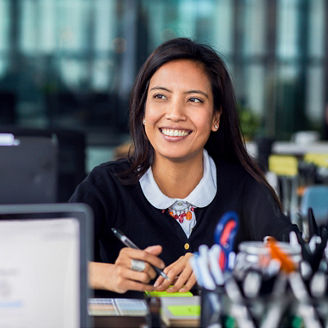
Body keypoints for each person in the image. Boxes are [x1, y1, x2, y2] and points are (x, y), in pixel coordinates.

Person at [70, 38, 297, 297]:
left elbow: (294, 257)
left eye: (194, 100)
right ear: (143, 111)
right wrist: (109, 274)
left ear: (215, 118)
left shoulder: (244, 187)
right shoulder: (106, 185)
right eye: (160, 97)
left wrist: (220, 266)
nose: (175, 113)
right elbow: (44, 260)